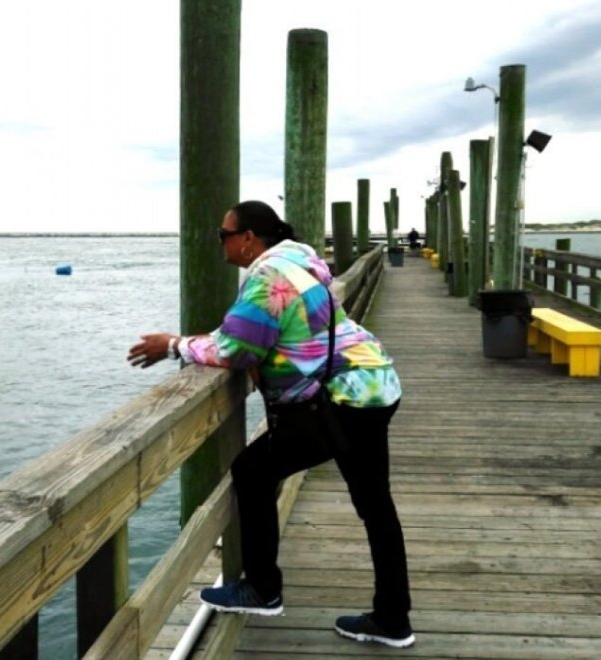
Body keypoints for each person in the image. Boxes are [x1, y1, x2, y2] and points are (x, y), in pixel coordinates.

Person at [127, 200, 415, 648]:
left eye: (223, 234)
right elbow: (295, 328)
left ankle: (263, 589)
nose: (219, 242)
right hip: (374, 381)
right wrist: (271, 354)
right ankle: (393, 618)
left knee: (252, 470)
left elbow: (235, 348)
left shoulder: (267, 278)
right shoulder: (302, 261)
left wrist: (173, 345)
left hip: (342, 399)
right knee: (376, 505)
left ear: (247, 239)